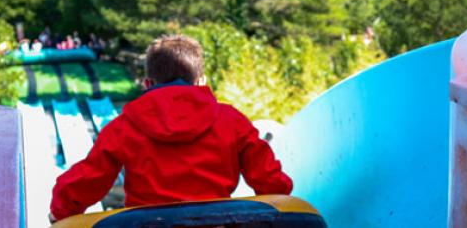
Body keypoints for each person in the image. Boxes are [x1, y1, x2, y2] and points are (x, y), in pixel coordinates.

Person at [49, 35, 293, 222]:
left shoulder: (124, 127)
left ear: (147, 84)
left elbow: (88, 179)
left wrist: (60, 212)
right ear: (200, 82)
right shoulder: (232, 121)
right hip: (218, 224)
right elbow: (271, 183)